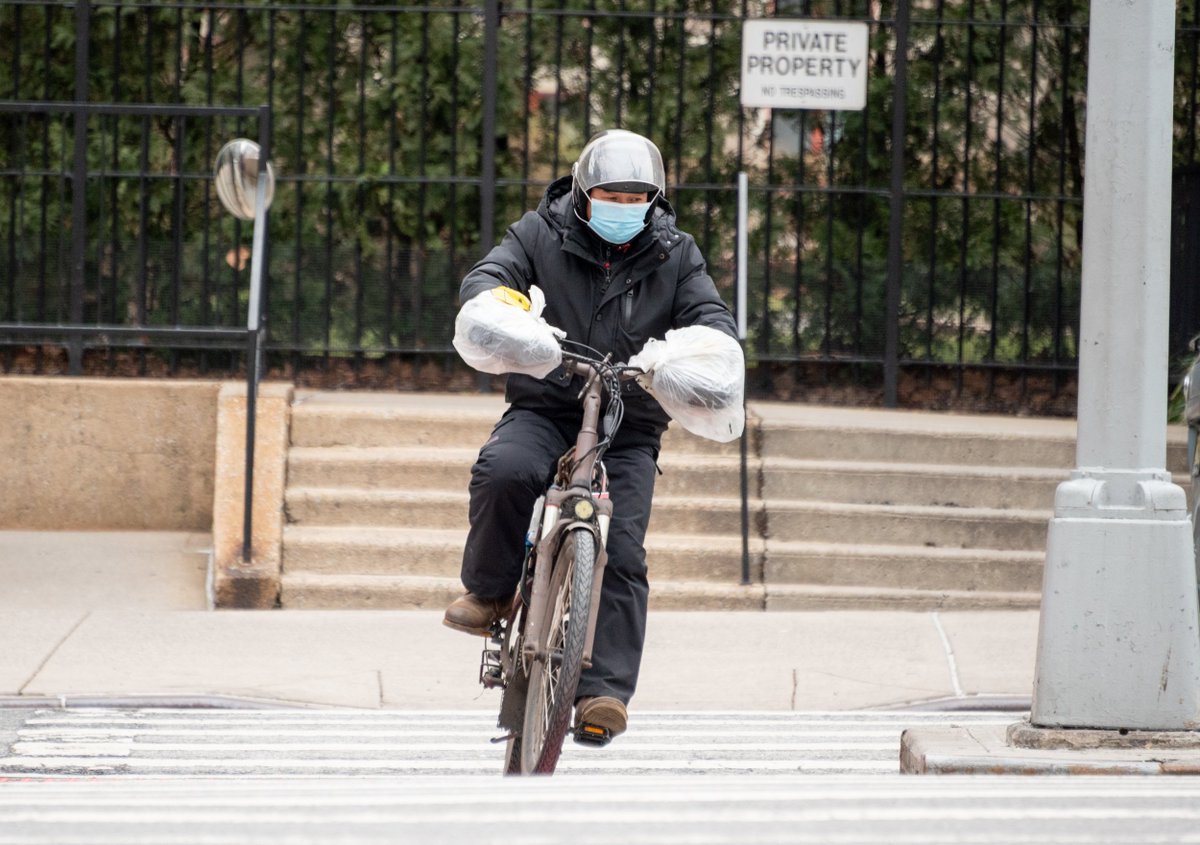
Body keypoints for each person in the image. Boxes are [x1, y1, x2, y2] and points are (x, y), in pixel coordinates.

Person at [444, 129, 742, 740]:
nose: (624, 209)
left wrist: (693, 356)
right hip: (548, 404)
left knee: (623, 548)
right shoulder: (538, 233)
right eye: (612, 195)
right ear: (583, 193)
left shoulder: (676, 253)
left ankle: (603, 692)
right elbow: (491, 276)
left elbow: (712, 320)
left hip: (627, 426)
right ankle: (492, 591)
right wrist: (507, 316)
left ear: (654, 200)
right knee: (503, 472)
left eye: (638, 199)